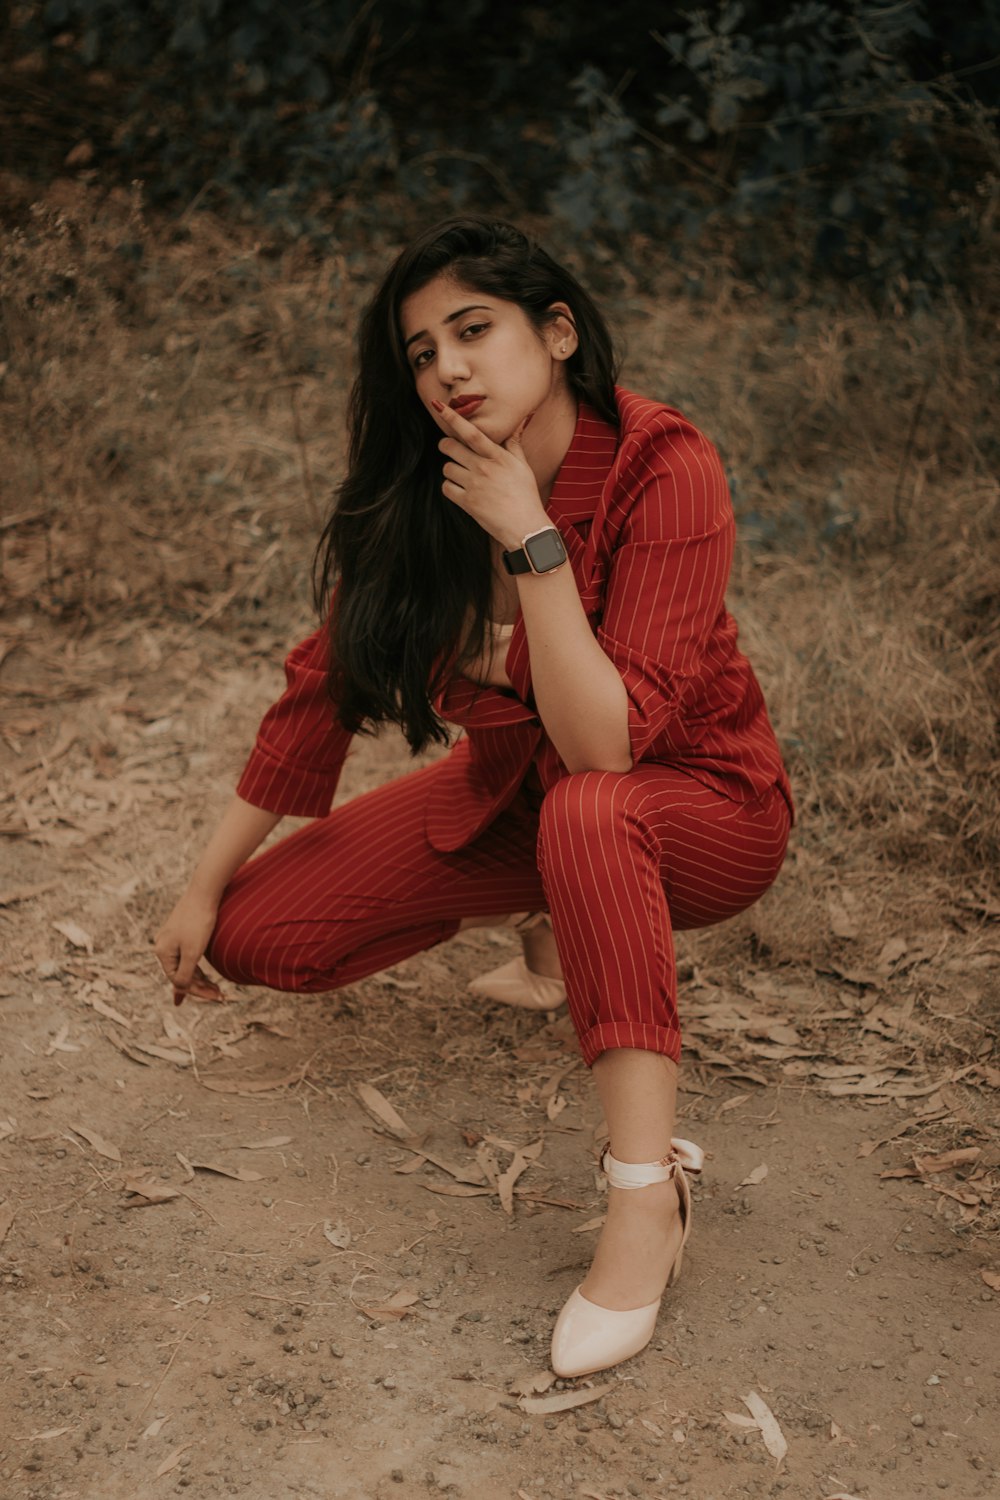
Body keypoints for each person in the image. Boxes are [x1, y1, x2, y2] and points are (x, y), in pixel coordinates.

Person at [154, 216, 793, 1379]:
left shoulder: (662, 464)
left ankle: (647, 1198)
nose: (446, 366)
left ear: (554, 334)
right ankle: (560, 919)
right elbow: (321, 687)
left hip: (701, 806)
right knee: (259, 934)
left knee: (592, 812)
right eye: (418, 351)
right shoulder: (428, 486)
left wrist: (529, 536)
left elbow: (607, 746)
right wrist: (200, 887)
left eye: (472, 330)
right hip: (521, 792)